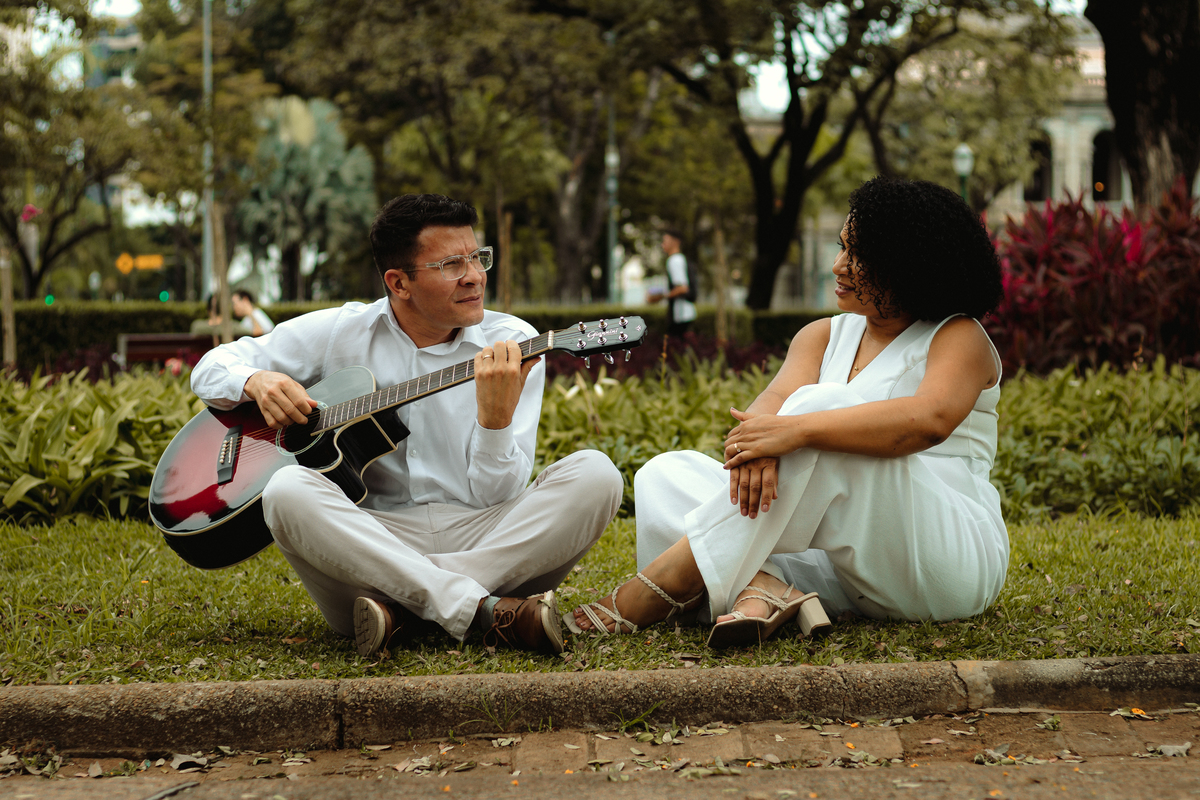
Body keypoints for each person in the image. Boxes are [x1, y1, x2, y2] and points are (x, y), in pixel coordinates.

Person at [566, 176, 1006, 648]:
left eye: (858, 256)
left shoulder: (958, 335)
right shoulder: (821, 337)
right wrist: (760, 447)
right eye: (842, 247)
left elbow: (929, 421)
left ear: (907, 264)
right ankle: (767, 586)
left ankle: (664, 583)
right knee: (664, 474)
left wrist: (796, 432)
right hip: (843, 572)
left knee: (821, 408)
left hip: (945, 560)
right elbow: (761, 419)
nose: (838, 266)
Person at [191, 194, 624, 656]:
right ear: (399, 283)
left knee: (597, 475)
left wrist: (495, 423)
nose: (474, 276)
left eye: (477, 257)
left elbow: (496, 496)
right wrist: (256, 380)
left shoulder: (512, 344)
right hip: (371, 540)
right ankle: (478, 607)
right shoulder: (342, 331)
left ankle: (410, 608)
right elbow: (211, 366)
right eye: (451, 264)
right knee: (285, 491)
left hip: (479, 534)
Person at [648, 230, 697, 336]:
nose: (663, 244)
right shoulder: (680, 258)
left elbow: (682, 288)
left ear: (675, 242)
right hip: (686, 313)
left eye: (665, 241)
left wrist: (660, 297)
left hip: (681, 315)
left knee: (673, 343)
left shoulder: (674, 260)